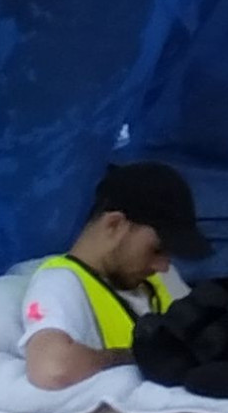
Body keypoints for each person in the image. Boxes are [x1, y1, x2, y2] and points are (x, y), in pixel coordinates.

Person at [21, 161, 207, 390]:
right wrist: (134, 357)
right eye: (156, 249)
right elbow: (52, 369)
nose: (163, 266)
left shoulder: (161, 280)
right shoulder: (60, 282)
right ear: (114, 225)